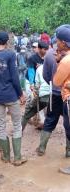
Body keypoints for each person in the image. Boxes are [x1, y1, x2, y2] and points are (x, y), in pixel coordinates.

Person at [0, 31, 27, 166]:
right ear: (7, 42)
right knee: (16, 125)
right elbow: (14, 77)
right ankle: (17, 157)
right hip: (11, 95)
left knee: (1, 126)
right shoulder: (10, 54)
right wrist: (20, 94)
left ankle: (6, 157)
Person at [53, 25, 70, 174]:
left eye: (57, 41)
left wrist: (58, 62)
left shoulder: (66, 61)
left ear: (64, 43)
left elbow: (57, 82)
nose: (56, 43)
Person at [22, 64, 50, 131]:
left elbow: (37, 86)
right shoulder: (56, 66)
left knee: (29, 112)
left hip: (42, 94)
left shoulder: (39, 68)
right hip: (54, 95)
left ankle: (18, 132)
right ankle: (42, 122)